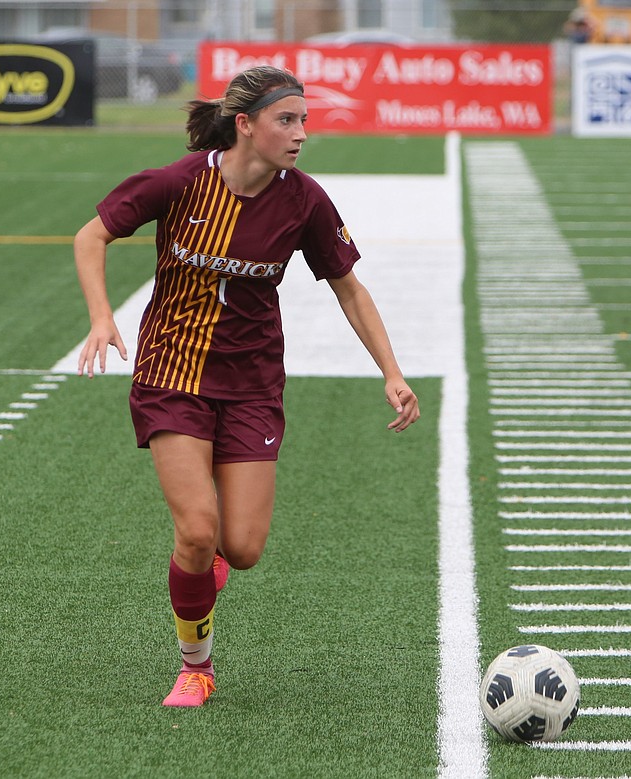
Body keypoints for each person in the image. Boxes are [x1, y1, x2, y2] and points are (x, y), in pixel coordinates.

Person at [73, 65, 421, 707]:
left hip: (253, 384)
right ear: (245, 125)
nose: (299, 134)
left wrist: (392, 372)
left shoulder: (305, 200)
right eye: (286, 121)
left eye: (304, 121)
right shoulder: (180, 183)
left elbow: (348, 286)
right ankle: (196, 665)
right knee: (198, 530)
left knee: (244, 547)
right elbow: (92, 235)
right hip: (170, 376)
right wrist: (101, 316)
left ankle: (207, 569)